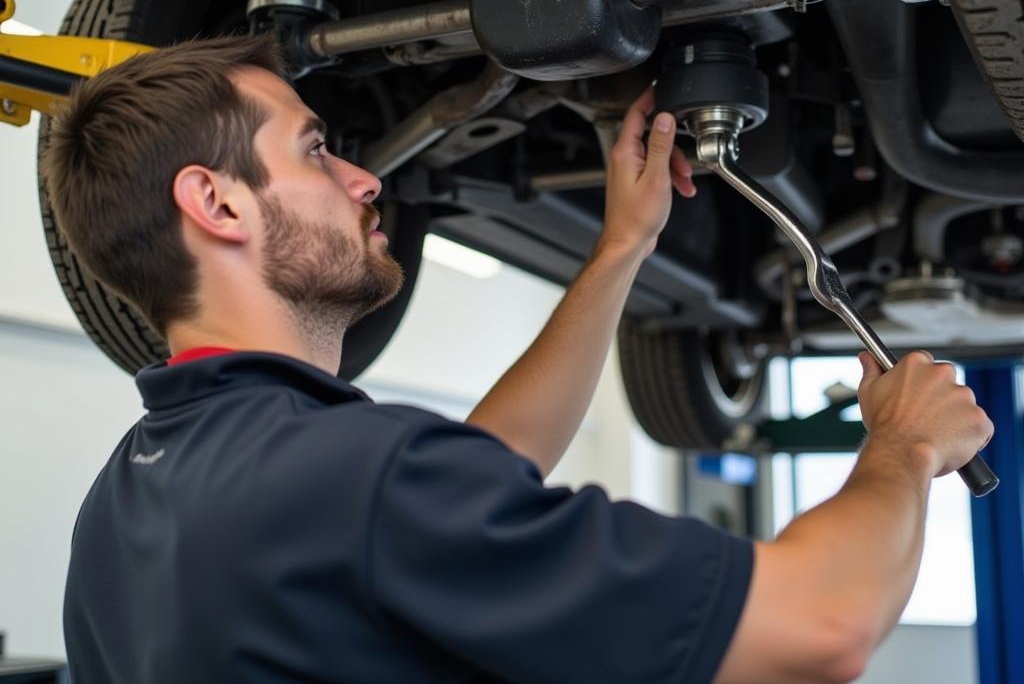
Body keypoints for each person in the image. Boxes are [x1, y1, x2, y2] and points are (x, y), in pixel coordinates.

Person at [42, 34, 992, 684]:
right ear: (217, 204)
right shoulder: (354, 481)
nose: (365, 178)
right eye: (316, 151)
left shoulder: (124, 502)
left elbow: (461, 487)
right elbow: (823, 626)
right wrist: (904, 448)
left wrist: (622, 248)